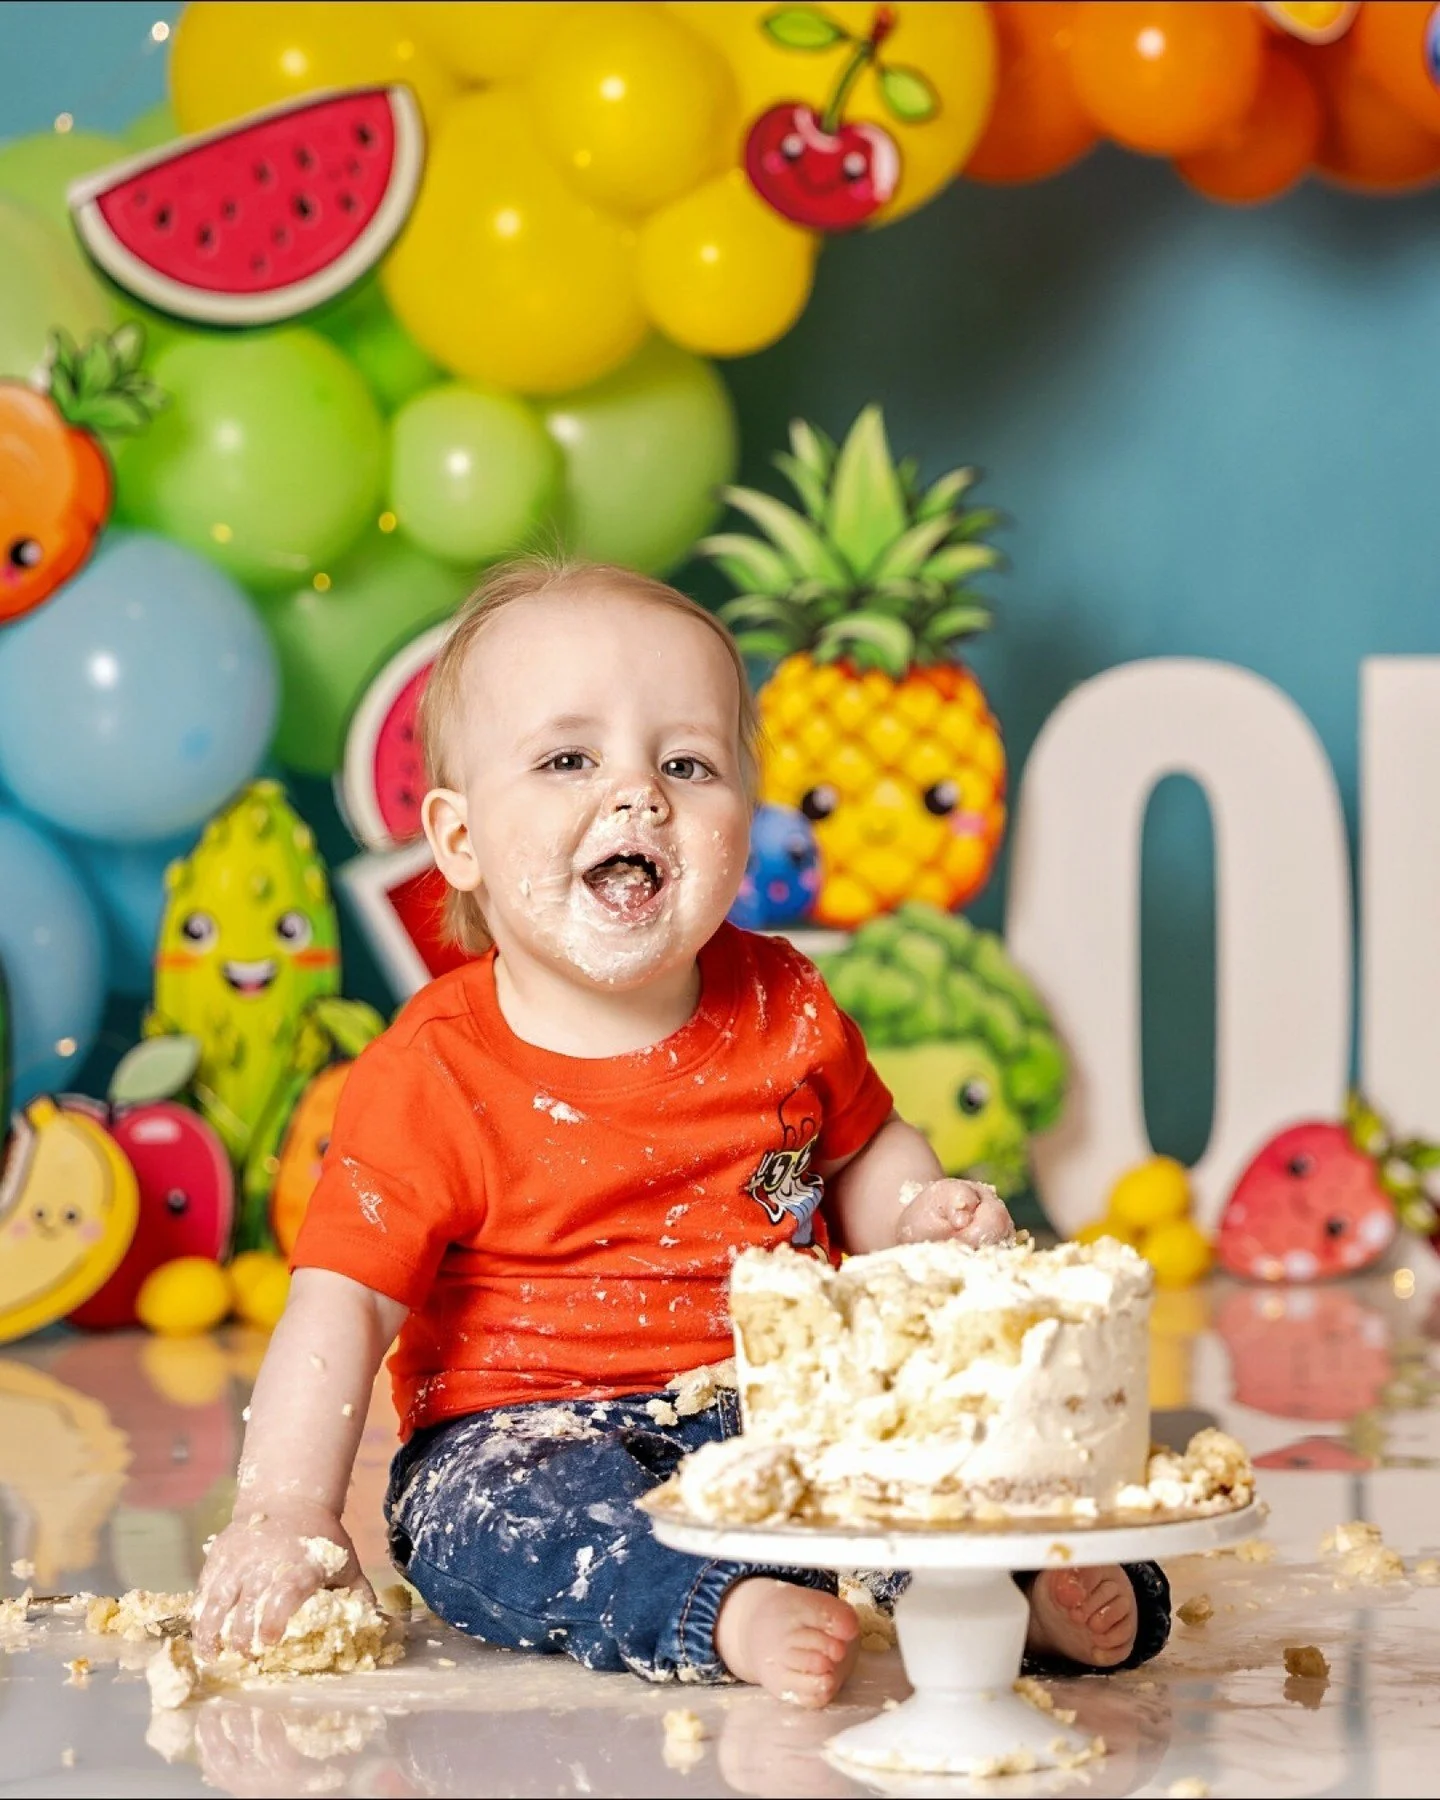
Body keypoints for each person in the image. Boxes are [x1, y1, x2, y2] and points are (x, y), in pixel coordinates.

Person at [194, 555, 1168, 1704]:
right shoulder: (432, 1071)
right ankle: (719, 1609)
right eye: (568, 759)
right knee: (487, 1525)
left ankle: (1019, 1586)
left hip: (783, 1402)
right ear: (457, 841)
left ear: (742, 822)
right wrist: (286, 1513)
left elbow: (857, 1151)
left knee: (928, 1443)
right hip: (528, 1430)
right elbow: (344, 1303)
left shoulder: (784, 1001)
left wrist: (917, 1214)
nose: (638, 794)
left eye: (688, 764)